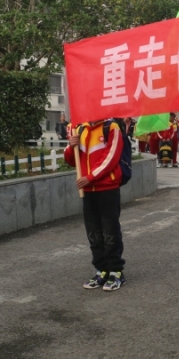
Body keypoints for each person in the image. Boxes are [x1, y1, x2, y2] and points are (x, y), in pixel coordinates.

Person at [64, 119, 127, 292]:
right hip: (88, 191)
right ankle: (101, 270)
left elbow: (111, 158)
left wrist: (90, 177)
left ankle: (116, 272)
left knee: (110, 230)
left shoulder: (111, 128)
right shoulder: (80, 129)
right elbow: (71, 160)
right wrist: (71, 146)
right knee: (93, 232)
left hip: (107, 189)